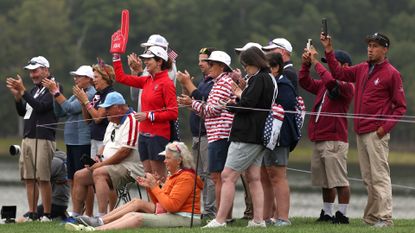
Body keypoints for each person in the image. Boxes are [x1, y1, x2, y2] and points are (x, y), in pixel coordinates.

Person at [321, 32, 406, 227]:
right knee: (369, 179)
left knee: (380, 177)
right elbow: (339, 73)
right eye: (369, 45)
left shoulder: (392, 73)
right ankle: (371, 218)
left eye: (375, 46)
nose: (370, 49)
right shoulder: (361, 69)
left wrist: (384, 129)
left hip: (376, 133)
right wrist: (328, 49)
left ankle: (385, 218)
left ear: (385, 49)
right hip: (361, 132)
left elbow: (400, 107)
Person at [202, 47, 274, 228]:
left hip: (246, 135)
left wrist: (230, 106)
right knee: (253, 177)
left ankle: (220, 220)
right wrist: (239, 96)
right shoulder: (268, 79)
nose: (245, 68)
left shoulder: (258, 79)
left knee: (227, 176)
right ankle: (258, 221)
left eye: (246, 65)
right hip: (258, 136)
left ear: (253, 63)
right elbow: (251, 102)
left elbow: (248, 105)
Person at [65, 141, 203, 231]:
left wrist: (154, 186)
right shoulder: (175, 175)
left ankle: (95, 229)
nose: (164, 161)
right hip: (174, 212)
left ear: (179, 160)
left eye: (168, 158)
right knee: (135, 206)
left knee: (137, 218)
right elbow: (161, 204)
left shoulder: (186, 177)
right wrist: (150, 187)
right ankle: (99, 221)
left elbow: (171, 206)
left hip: (185, 217)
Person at [177, 51, 236, 223]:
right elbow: (209, 109)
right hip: (216, 134)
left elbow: (212, 110)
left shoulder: (223, 83)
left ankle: (220, 218)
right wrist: (192, 105)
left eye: (211, 64)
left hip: (220, 134)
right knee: (218, 177)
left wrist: (192, 103)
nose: (208, 67)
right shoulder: (219, 82)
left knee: (217, 177)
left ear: (221, 66)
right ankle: (223, 217)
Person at [299, 47, 355, 224]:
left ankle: (342, 214)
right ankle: (328, 212)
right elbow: (304, 82)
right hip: (320, 137)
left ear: (346, 66)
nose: (331, 67)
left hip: (335, 139)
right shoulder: (324, 83)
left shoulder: (348, 86)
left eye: (334, 63)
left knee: (339, 180)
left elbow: (331, 83)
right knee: (325, 182)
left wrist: (316, 63)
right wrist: (306, 65)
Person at [70, 92, 144, 218]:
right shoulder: (112, 121)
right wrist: (97, 158)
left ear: (119, 108)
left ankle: (101, 217)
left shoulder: (132, 119)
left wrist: (101, 165)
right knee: (79, 176)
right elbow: (104, 145)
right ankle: (75, 216)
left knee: (99, 173)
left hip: (129, 167)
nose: (105, 111)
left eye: (108, 108)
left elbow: (125, 152)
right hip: (110, 165)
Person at [113, 46, 178, 181]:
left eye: (149, 59)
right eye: (145, 59)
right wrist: (116, 55)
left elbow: (173, 113)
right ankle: (153, 203)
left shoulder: (166, 83)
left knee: (158, 178)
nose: (145, 62)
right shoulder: (147, 80)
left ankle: (161, 203)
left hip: (158, 136)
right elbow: (120, 78)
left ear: (159, 62)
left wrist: (149, 115)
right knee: (148, 178)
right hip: (143, 136)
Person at [6, 56, 57, 222]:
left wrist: (24, 92)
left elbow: (41, 107)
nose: (32, 75)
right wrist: (17, 96)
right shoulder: (34, 90)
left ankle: (47, 215)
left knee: (43, 178)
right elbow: (24, 112)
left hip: (43, 138)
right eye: (31, 72)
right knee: (29, 178)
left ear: (45, 70)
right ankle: (33, 212)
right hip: (28, 138)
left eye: (35, 71)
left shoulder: (54, 87)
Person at [176, 47, 217, 219]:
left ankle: (210, 212)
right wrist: (187, 95)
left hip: (208, 135)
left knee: (209, 174)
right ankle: (200, 210)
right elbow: (197, 101)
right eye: (199, 59)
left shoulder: (215, 82)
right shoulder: (202, 81)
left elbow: (205, 99)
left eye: (203, 60)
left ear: (213, 62)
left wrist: (188, 84)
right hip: (196, 135)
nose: (199, 63)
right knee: (199, 175)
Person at [42, 65, 95, 193]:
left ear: (88, 78)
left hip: (82, 141)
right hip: (71, 140)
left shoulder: (90, 93)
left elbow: (70, 108)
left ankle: (87, 212)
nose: (75, 79)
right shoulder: (77, 93)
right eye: (75, 77)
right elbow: (60, 112)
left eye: (79, 77)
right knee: (72, 178)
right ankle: (76, 211)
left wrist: (56, 92)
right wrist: (55, 95)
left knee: (83, 179)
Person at [72, 61, 116, 216]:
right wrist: (84, 103)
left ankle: (110, 213)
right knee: (90, 175)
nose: (93, 80)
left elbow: (98, 118)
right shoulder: (97, 95)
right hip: (94, 140)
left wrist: (85, 101)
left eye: (96, 77)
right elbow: (88, 120)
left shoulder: (110, 94)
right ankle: (84, 214)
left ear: (105, 78)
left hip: (106, 143)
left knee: (106, 178)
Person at [261, 52, 298, 227]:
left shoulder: (284, 85)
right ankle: (267, 217)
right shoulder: (271, 82)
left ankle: (283, 217)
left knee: (278, 176)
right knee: (265, 177)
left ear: (275, 68)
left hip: (280, 138)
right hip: (266, 138)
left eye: (265, 68)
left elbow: (286, 108)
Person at [20, 149, 70, 221]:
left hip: (54, 204)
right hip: (61, 203)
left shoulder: (55, 162)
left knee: (22, 220)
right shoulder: (62, 159)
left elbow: (34, 178)